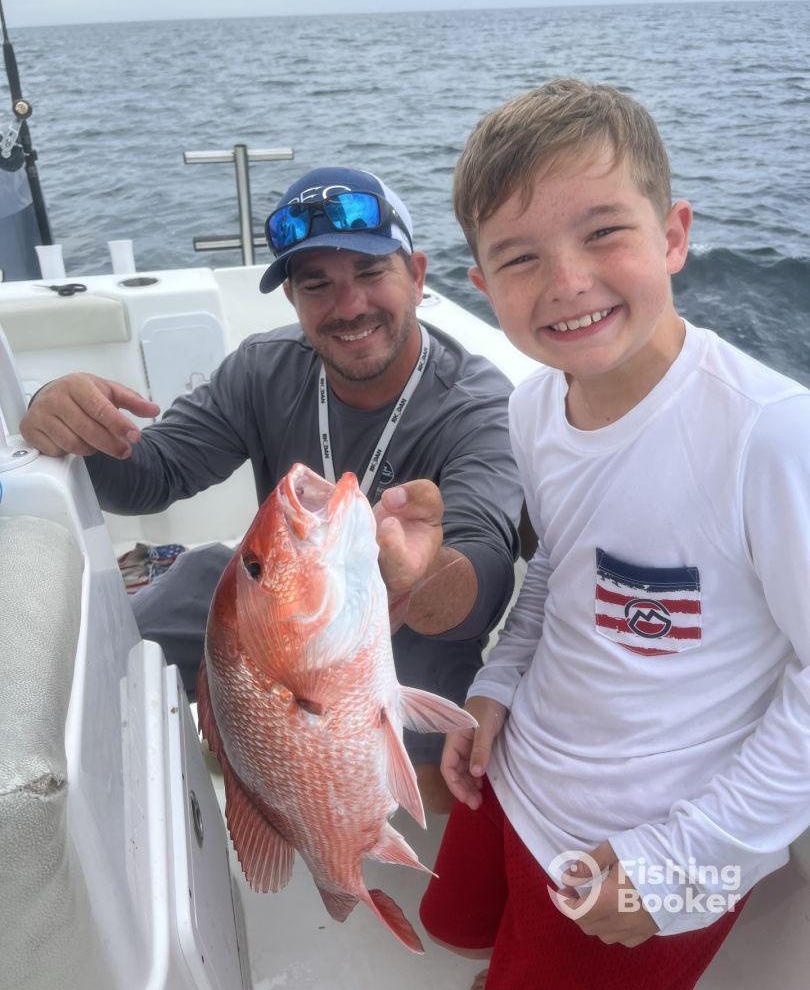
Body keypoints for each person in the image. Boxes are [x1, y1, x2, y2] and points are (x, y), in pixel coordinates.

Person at [419, 79, 810, 988]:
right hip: (516, 772)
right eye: (518, 258)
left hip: (652, 846)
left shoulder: (769, 436)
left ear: (673, 235)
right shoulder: (531, 407)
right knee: (455, 932)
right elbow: (561, 562)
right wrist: (495, 684)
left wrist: (680, 869)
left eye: (603, 231)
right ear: (479, 287)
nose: (567, 282)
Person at [20, 166, 523, 814]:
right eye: (317, 285)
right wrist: (74, 424)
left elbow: (483, 570)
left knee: (434, 792)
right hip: (275, 602)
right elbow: (156, 473)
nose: (348, 307)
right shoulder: (263, 369)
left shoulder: (477, 407)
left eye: (371, 275)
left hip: (403, 639)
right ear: (291, 298)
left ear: (418, 275)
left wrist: (415, 579)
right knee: (108, 665)